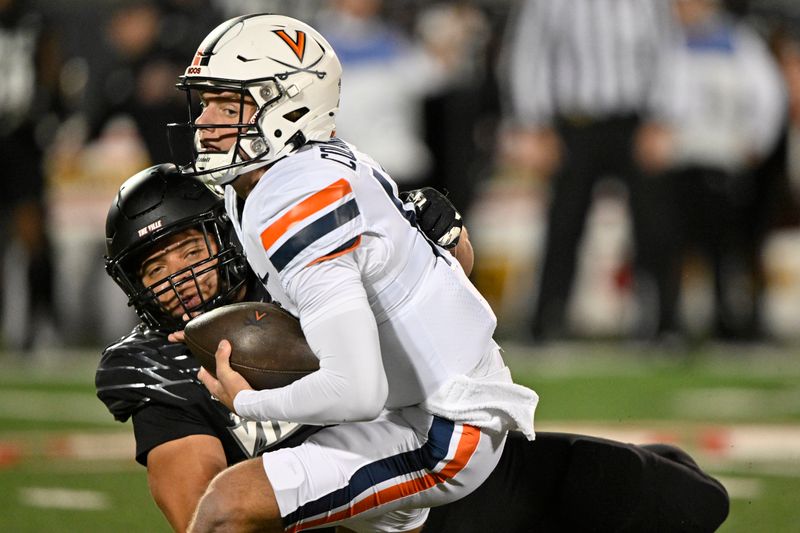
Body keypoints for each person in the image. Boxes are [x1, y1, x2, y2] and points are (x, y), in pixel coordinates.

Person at [98, 164, 728, 532]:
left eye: (189, 250)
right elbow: (201, 514)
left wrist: (433, 242)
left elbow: (437, 305)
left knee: (691, 501)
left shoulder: (295, 270)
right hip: (351, 519)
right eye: (155, 267)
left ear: (227, 237)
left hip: (440, 482)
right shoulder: (154, 369)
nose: (178, 276)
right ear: (134, 284)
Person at [503, 0, 684, 340]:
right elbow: (530, 51)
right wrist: (533, 123)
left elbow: (666, 50)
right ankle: (547, 319)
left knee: (654, 223)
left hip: (635, 121)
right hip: (576, 122)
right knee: (564, 222)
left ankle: (664, 321)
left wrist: (664, 118)